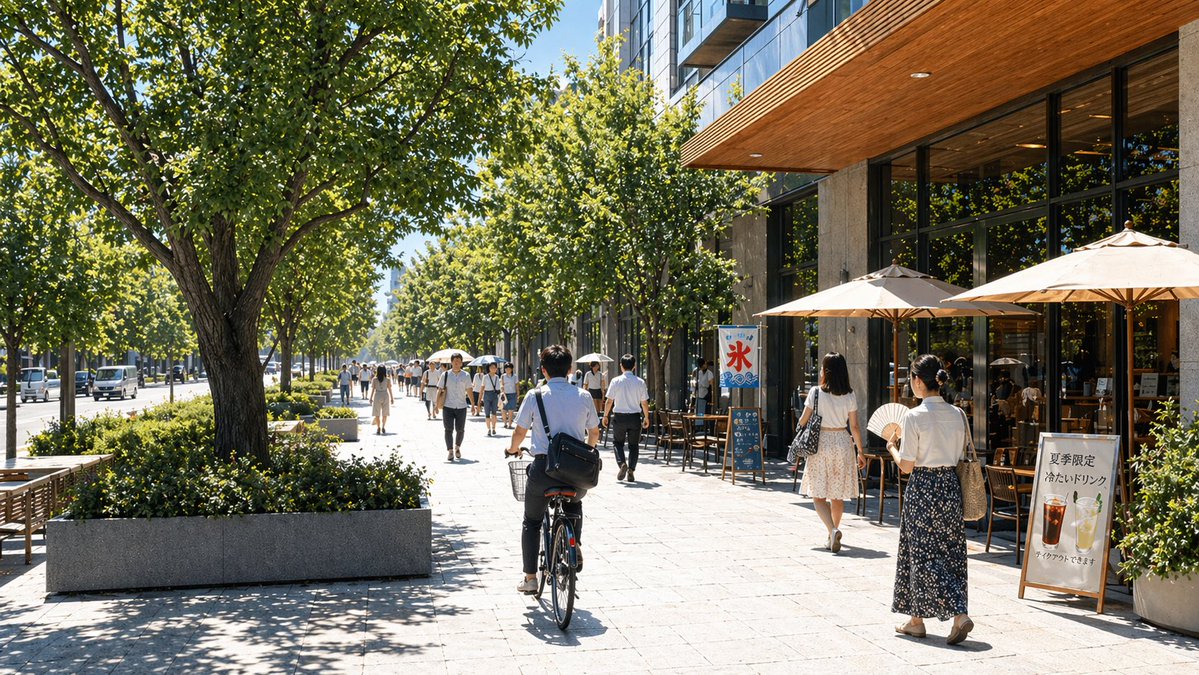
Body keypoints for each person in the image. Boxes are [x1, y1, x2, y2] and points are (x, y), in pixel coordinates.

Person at [886, 354, 974, 645]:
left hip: (923, 486)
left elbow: (906, 466)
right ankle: (915, 620)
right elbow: (960, 454)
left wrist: (892, 448)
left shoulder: (914, 416)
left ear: (917, 381)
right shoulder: (958, 414)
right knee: (950, 551)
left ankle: (958, 614)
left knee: (920, 554)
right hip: (949, 485)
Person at [505, 345, 600, 594]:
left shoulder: (535, 395)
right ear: (570, 369)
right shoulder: (583, 396)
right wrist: (586, 453)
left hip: (543, 470)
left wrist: (513, 449)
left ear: (543, 370)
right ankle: (574, 543)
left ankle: (530, 578)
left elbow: (520, 432)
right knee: (574, 503)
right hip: (576, 472)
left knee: (532, 521)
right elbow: (594, 432)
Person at [797, 352, 867, 553]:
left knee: (818, 495)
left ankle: (832, 530)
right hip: (843, 442)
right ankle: (832, 534)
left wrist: (802, 426)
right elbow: (855, 427)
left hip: (821, 443)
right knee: (837, 495)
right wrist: (860, 451)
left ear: (826, 371)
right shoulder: (850, 395)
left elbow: (803, 420)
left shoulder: (816, 392)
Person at [603, 354, 650, 482]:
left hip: (619, 417)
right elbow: (644, 403)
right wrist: (646, 417)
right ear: (634, 366)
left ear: (621, 366)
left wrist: (605, 415)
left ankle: (622, 463)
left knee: (617, 443)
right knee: (634, 445)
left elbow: (609, 401)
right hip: (635, 417)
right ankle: (631, 469)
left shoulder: (615, 381)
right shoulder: (640, 382)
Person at [438, 354, 475, 461]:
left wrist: (473, 404)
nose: (457, 362)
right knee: (448, 429)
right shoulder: (445, 375)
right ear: (451, 362)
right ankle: (450, 451)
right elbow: (439, 390)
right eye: (455, 360)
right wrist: (436, 405)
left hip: (461, 406)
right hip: (448, 406)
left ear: (462, 363)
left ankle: (457, 447)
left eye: (459, 361)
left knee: (460, 429)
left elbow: (469, 390)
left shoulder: (466, 375)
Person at [368, 364, 393, 435]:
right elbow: (389, 389)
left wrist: (370, 398)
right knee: (385, 413)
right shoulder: (388, 379)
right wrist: (392, 398)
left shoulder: (374, 379)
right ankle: (383, 426)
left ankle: (378, 427)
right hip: (385, 395)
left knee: (377, 413)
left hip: (377, 395)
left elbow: (373, 389)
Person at [481, 362, 502, 436]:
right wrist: (479, 399)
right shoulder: (485, 377)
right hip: (487, 394)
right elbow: (482, 387)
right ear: (489, 368)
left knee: (494, 413)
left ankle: (493, 428)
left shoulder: (497, 377)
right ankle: (488, 429)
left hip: (494, 395)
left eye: (494, 367)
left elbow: (499, 389)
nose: (493, 369)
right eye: (491, 367)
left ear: (496, 369)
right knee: (487, 413)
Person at [501, 363, 519, 429]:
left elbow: (517, 385)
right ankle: (505, 423)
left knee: (511, 410)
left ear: (511, 369)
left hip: (513, 394)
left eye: (509, 369)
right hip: (505, 395)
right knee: (504, 410)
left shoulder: (515, 376)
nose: (507, 370)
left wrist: (518, 394)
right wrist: (502, 388)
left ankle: (510, 424)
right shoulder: (503, 376)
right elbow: (502, 384)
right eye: (506, 369)